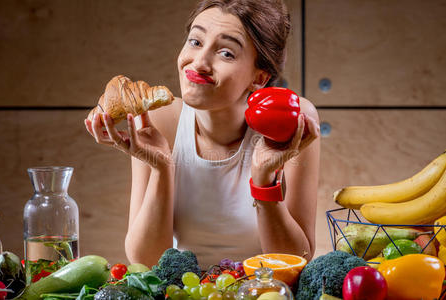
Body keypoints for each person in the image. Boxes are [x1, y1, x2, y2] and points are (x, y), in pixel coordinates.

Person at [84, 0, 320, 269]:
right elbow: (146, 261)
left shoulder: (292, 120)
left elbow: (297, 258)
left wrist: (264, 181)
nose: (199, 63)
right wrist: (161, 167)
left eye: (226, 53)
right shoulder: (158, 118)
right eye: (196, 42)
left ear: (259, 78)